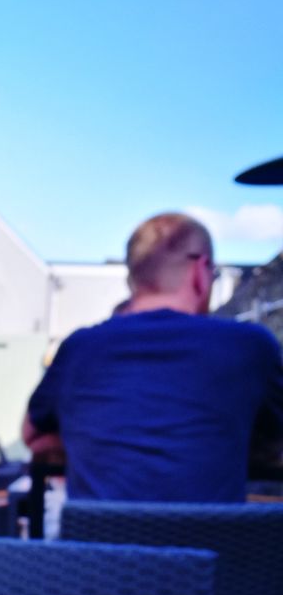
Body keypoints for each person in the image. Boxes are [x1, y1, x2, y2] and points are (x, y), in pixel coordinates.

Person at [22, 213, 283, 502]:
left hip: (98, 545)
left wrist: (98, 447)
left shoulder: (79, 347)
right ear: (200, 270)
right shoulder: (251, 346)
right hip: (218, 544)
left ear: (133, 278)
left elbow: (32, 437)